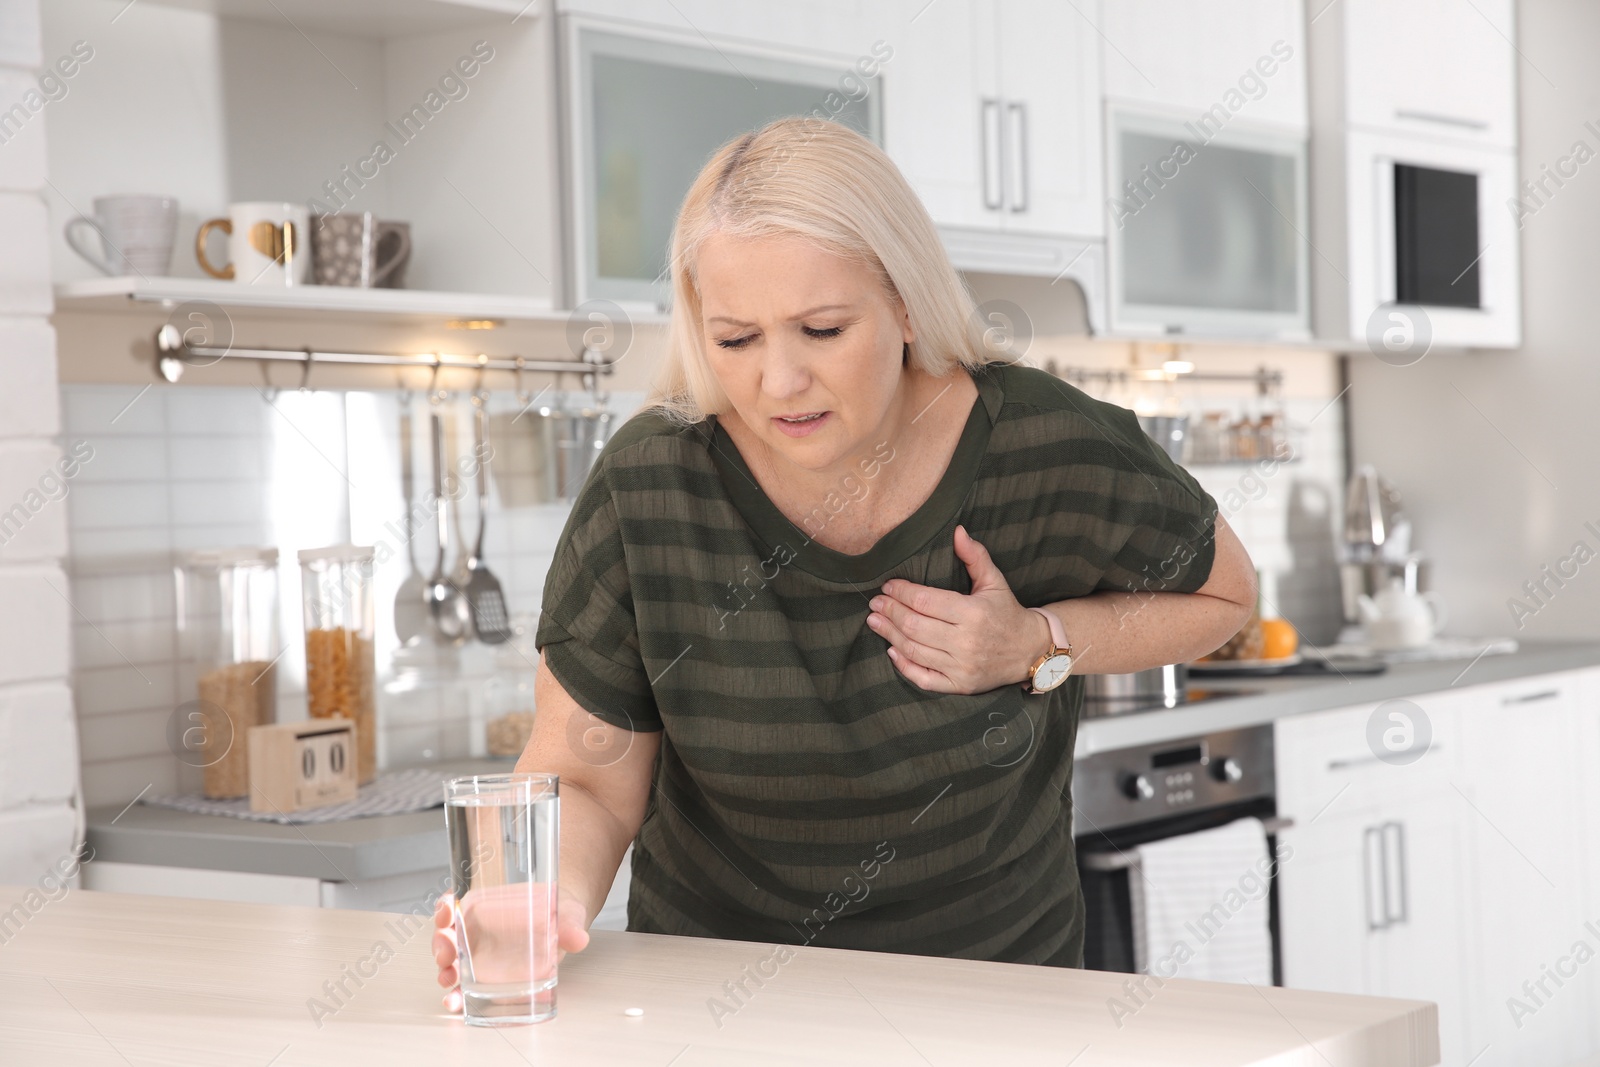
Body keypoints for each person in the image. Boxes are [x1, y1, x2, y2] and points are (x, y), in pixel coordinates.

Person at [433, 117, 1255, 1009]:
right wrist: (543, 900)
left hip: (998, 1008)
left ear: (905, 303)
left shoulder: (1044, 443)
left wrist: (1041, 642)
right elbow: (588, 776)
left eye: (821, 329)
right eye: (736, 339)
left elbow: (1225, 594)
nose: (778, 381)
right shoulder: (653, 484)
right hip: (721, 1012)